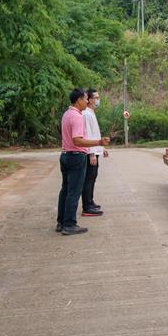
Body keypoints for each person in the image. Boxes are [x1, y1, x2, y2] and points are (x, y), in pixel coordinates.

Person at [57, 88, 110, 236]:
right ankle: (69, 224)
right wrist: (99, 142)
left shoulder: (67, 114)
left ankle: (61, 222)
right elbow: (77, 140)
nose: (87, 101)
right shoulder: (78, 116)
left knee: (65, 190)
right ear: (79, 100)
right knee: (74, 191)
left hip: (66, 155)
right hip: (76, 156)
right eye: (86, 99)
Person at [81, 89, 109, 217]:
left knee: (92, 178)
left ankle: (90, 202)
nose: (98, 100)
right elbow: (87, 134)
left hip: (95, 149)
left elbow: (95, 134)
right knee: (89, 179)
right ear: (90, 100)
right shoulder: (86, 114)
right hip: (90, 152)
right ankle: (87, 206)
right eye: (96, 97)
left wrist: (102, 148)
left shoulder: (91, 113)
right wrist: (92, 153)